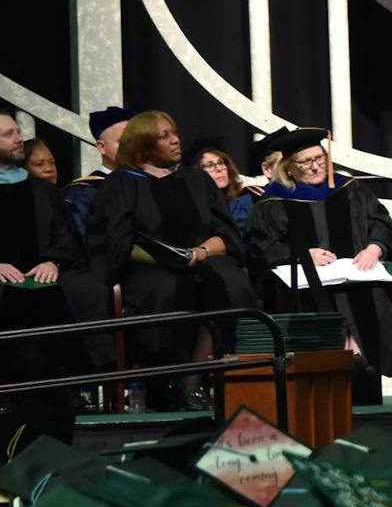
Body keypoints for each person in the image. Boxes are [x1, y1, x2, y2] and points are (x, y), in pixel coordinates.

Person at [85, 110, 255, 409]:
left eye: (174, 132)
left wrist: (199, 253)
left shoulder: (196, 178)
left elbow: (225, 233)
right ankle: (163, 385)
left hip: (201, 257)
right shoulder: (121, 184)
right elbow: (114, 242)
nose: (176, 140)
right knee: (165, 289)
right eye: (164, 136)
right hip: (150, 266)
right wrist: (167, 258)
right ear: (144, 144)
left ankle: (194, 383)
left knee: (229, 282)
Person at [246, 127, 392, 396]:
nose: (315, 166)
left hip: (362, 278)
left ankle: (363, 364)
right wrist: (301, 254)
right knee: (319, 304)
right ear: (289, 167)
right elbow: (259, 247)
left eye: (320, 158)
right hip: (308, 286)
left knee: (378, 300)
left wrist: (375, 248)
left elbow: (383, 223)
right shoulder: (272, 202)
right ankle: (343, 367)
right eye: (305, 162)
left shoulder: (353, 189)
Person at [0, 113, 113, 445]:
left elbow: (67, 237)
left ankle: (70, 392)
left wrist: (54, 261)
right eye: (8, 134)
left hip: (45, 280)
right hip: (6, 289)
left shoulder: (41, 190)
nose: (18, 139)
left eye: (17, 132)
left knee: (82, 290)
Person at [63, 106, 134, 237]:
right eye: (122, 141)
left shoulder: (147, 184)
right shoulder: (82, 192)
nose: (130, 147)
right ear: (102, 147)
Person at [188, 141, 257, 234]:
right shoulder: (198, 210)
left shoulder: (245, 198)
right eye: (210, 165)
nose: (219, 169)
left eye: (220, 163)